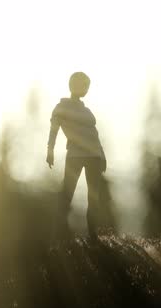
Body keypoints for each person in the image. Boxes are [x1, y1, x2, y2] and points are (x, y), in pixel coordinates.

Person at [46, 72, 107, 240]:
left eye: (87, 86)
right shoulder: (62, 107)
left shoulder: (86, 110)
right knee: (67, 193)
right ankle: (60, 232)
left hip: (93, 156)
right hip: (75, 155)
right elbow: (54, 130)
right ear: (74, 86)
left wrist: (102, 155)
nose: (86, 89)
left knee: (93, 197)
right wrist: (50, 150)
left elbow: (94, 134)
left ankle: (93, 235)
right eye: (84, 85)